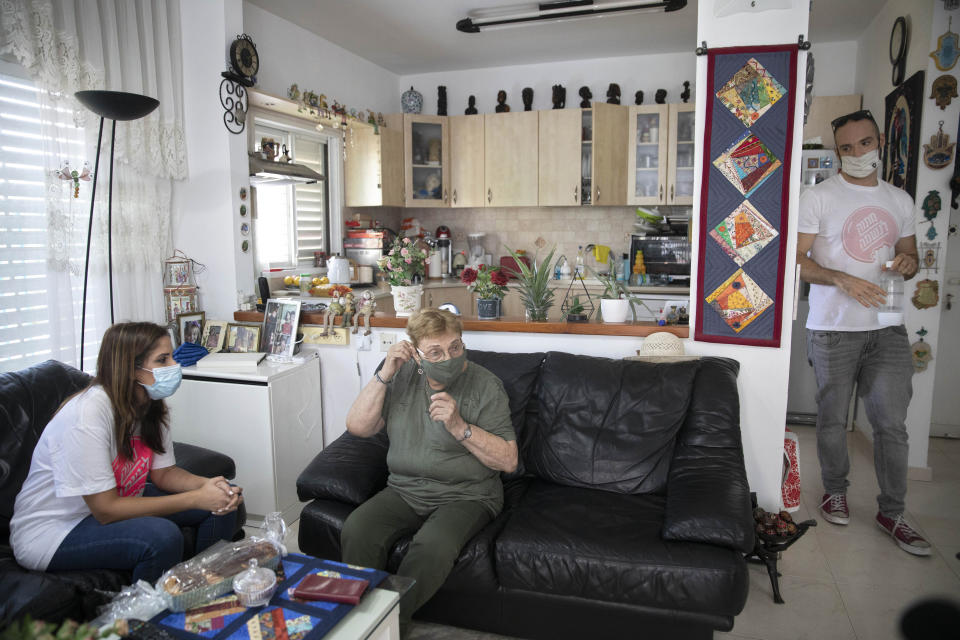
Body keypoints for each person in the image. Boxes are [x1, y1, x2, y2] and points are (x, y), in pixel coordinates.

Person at [10, 322, 244, 583]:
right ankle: (149, 618)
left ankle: (203, 587)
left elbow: (164, 473)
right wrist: (195, 499)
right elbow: (106, 509)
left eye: (171, 356)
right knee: (162, 536)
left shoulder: (150, 404)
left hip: (110, 502)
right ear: (132, 369)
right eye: (162, 359)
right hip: (53, 532)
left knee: (225, 498)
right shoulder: (88, 414)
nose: (173, 366)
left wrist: (210, 486)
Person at [796, 109, 928, 556]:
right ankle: (835, 490)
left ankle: (893, 511)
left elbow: (909, 254)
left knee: (892, 424)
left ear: (879, 143)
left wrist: (910, 264)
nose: (856, 154)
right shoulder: (817, 197)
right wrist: (840, 278)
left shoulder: (900, 200)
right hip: (833, 329)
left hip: (887, 327)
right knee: (832, 419)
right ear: (837, 152)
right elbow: (797, 260)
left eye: (864, 144)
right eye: (846, 148)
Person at [340, 308, 517, 631]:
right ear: (416, 355)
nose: (449, 357)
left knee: (432, 547)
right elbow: (358, 427)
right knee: (358, 529)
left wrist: (459, 426)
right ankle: (356, 616)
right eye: (435, 352)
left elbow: (508, 460)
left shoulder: (486, 385)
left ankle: (386, 624)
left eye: (455, 347)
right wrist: (385, 373)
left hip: (467, 495)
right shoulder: (403, 376)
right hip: (405, 489)